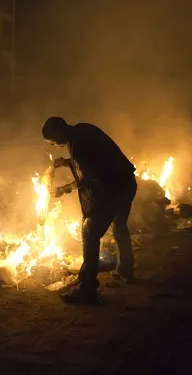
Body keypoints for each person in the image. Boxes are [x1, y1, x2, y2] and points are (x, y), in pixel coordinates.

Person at [42, 117, 137, 305]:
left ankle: (87, 289)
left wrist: (64, 189)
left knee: (90, 232)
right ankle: (125, 270)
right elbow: (95, 158)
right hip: (126, 183)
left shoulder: (77, 144)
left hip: (113, 189)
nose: (54, 145)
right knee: (119, 226)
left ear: (58, 134)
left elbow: (88, 175)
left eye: (53, 141)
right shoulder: (83, 130)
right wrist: (67, 162)